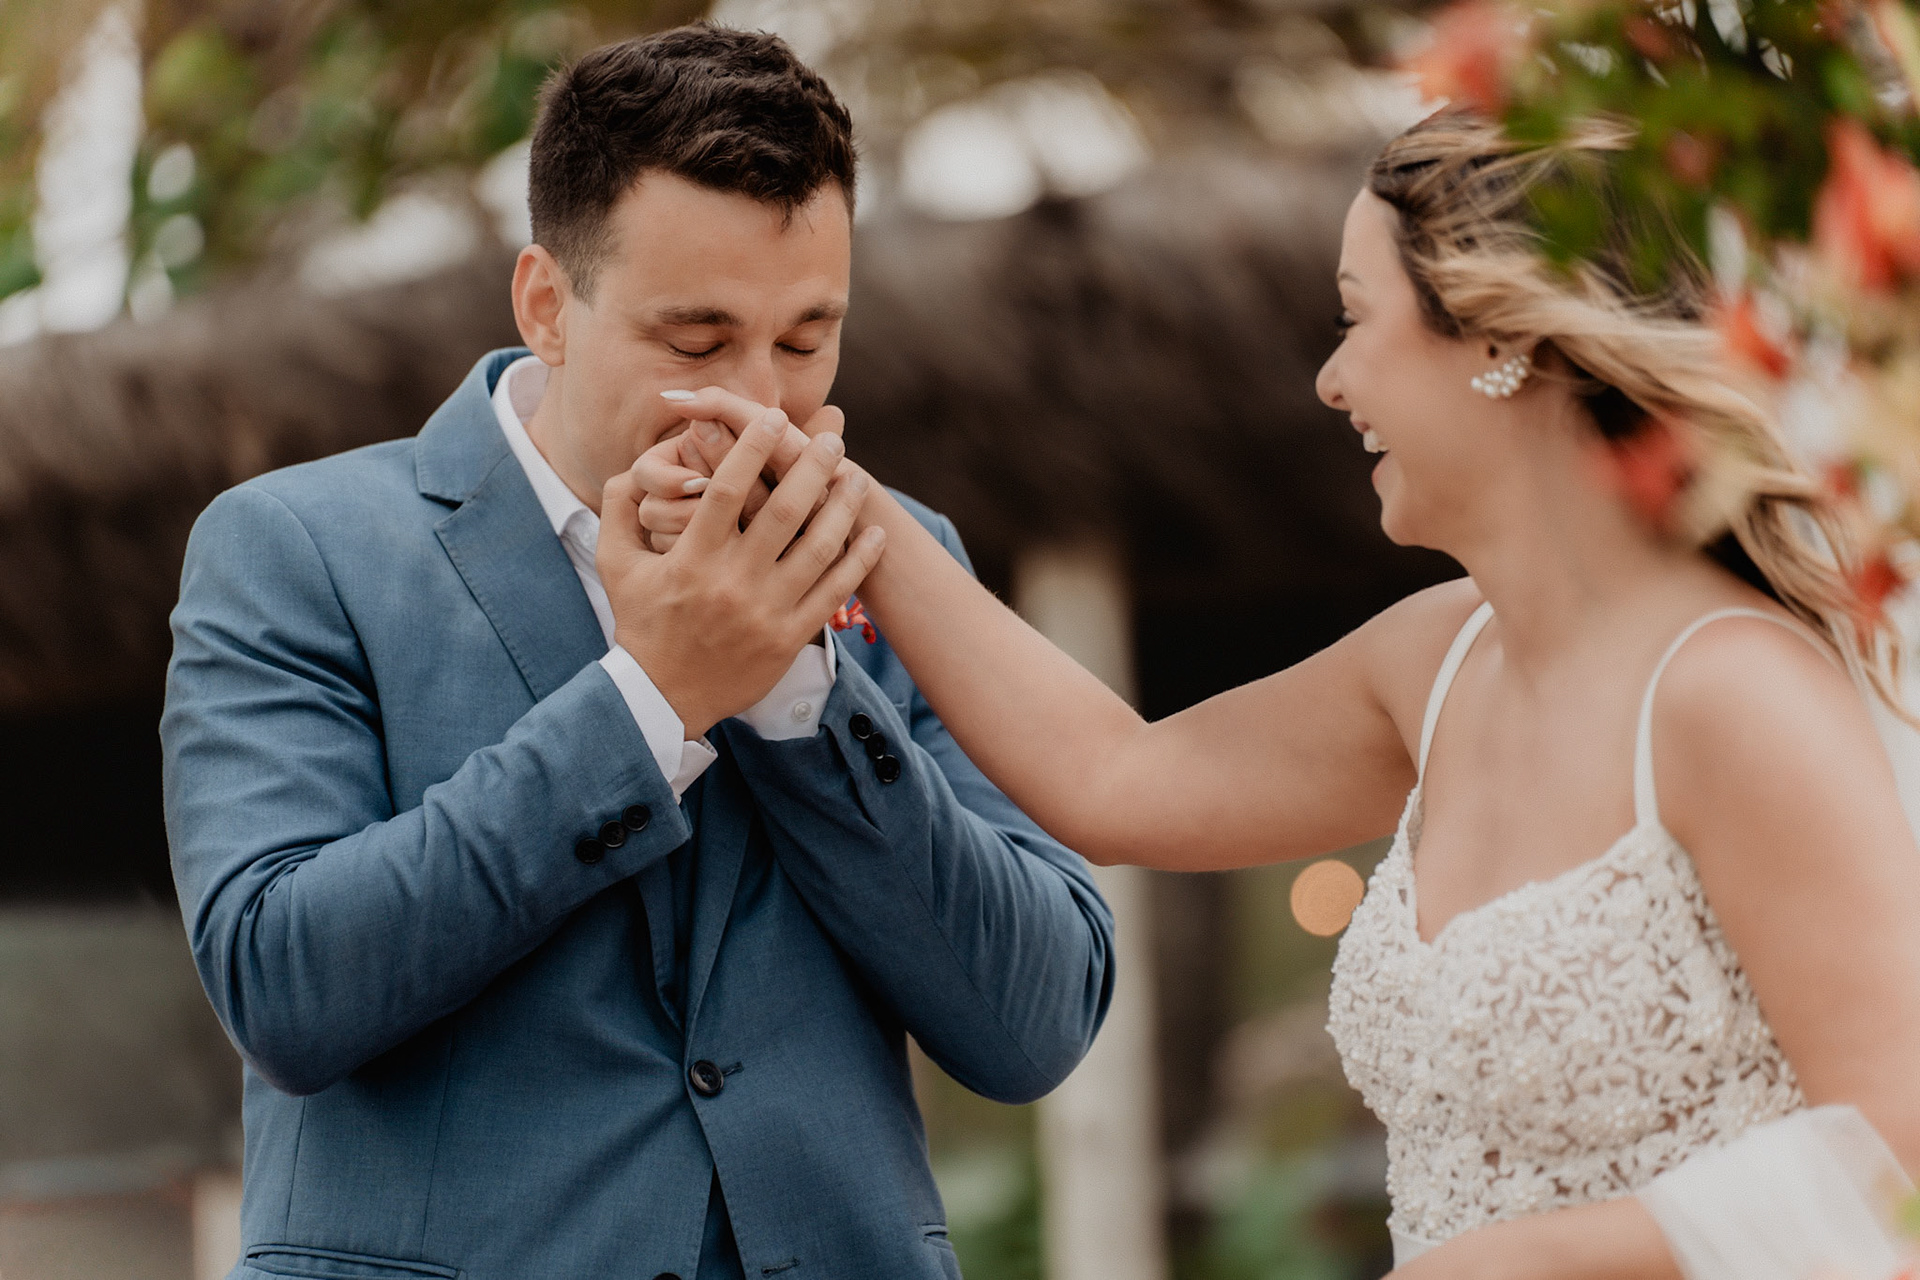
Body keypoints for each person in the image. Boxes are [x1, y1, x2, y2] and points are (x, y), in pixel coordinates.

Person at [635, 111, 1920, 1278]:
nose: (1332, 380)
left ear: (1501, 342)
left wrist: (1523, 1262)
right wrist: (841, 506)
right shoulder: (1439, 659)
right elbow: (1118, 779)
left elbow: (1898, 1162)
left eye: (1358, 319)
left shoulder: (1732, 694)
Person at [160, 24, 1114, 1280]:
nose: (762, 403)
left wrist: (793, 696)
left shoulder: (901, 553)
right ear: (548, 305)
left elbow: (1033, 1018)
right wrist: (651, 699)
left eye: (807, 335)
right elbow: (283, 980)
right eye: (697, 341)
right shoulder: (293, 547)